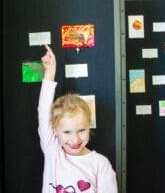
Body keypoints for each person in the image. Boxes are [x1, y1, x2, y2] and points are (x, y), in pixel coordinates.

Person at [38, 45, 118, 193]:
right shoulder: (52, 152)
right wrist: (49, 73)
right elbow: (43, 113)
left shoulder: (100, 164)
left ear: (89, 126)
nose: (75, 139)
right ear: (55, 131)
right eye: (67, 132)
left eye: (81, 130)